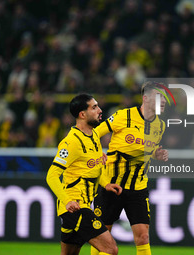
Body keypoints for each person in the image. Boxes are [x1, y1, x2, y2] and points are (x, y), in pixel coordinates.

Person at [91, 81, 169, 255]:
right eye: (159, 97)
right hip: (112, 184)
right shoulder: (122, 116)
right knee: (102, 235)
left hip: (138, 187)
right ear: (146, 98)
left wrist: (156, 154)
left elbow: (145, 149)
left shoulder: (160, 126)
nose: (164, 101)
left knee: (143, 237)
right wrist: (97, 154)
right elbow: (94, 134)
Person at [46, 94, 122, 255]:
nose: (100, 110)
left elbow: (92, 169)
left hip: (85, 204)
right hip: (75, 207)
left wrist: (105, 183)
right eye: (94, 107)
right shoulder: (71, 142)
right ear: (82, 114)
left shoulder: (94, 136)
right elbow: (52, 175)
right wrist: (67, 201)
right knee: (111, 249)